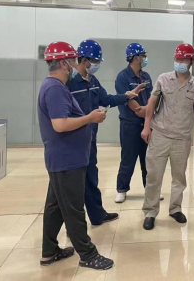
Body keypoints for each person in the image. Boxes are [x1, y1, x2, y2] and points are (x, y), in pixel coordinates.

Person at [38, 41, 135, 270]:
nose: (74, 64)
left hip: (66, 158)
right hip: (67, 159)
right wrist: (90, 118)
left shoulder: (57, 86)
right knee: (73, 209)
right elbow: (60, 124)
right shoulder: (55, 89)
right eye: (72, 60)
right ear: (64, 63)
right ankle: (88, 254)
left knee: (56, 206)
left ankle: (49, 251)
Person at [68, 39, 145, 225]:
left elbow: (107, 99)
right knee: (75, 185)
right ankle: (75, 226)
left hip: (90, 139)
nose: (97, 65)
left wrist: (126, 96)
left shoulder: (93, 81)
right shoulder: (70, 84)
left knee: (91, 177)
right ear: (84, 60)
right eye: (95, 61)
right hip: (74, 142)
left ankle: (97, 215)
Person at [141, 44, 194, 230]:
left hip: (182, 138)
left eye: (183, 59)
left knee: (179, 177)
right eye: (177, 59)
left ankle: (175, 208)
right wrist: (146, 127)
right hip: (160, 135)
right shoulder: (163, 79)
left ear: (191, 62)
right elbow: (151, 103)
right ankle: (150, 211)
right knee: (154, 176)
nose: (179, 62)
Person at [114, 42, 160, 203]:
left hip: (146, 123)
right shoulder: (123, 77)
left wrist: (147, 110)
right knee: (128, 158)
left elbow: (152, 98)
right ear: (135, 58)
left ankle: (150, 189)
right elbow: (130, 103)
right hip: (130, 124)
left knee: (148, 159)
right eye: (143, 56)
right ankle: (121, 189)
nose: (145, 58)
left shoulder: (146, 77)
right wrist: (143, 110)